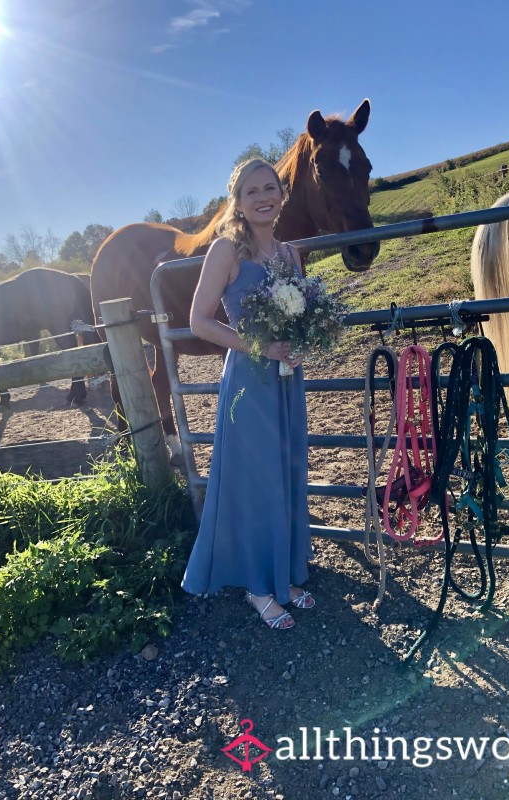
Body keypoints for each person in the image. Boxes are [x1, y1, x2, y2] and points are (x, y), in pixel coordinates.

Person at [181, 158, 315, 630]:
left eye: (270, 188)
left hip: (286, 379)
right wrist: (261, 345)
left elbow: (300, 316)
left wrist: (298, 345)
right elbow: (199, 321)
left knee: (288, 469)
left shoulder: (291, 253)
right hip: (249, 383)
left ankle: (287, 576)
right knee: (257, 479)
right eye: (252, 191)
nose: (263, 197)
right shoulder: (227, 251)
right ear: (237, 202)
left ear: (281, 194)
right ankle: (259, 588)